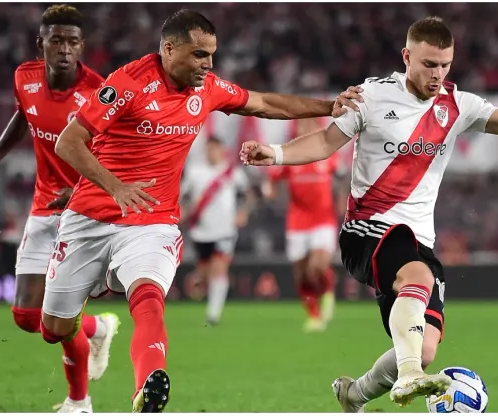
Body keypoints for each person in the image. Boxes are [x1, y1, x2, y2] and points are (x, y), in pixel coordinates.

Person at [240, 16, 498, 410]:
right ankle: (411, 376)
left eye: (445, 65)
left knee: (424, 346)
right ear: (407, 57)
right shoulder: (372, 96)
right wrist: (275, 154)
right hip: (366, 229)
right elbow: (326, 143)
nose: (438, 74)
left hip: (418, 241)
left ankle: (356, 393)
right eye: (429, 64)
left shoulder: (459, 105)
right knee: (416, 290)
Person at [40, 9, 361, 413]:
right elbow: (69, 142)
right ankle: (98, 329)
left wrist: (328, 105)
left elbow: (262, 103)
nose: (207, 65)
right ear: (169, 49)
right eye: (198, 55)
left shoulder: (206, 88)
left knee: (149, 295)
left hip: (152, 221)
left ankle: (147, 387)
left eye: (211, 55)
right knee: (52, 328)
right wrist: (115, 187)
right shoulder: (128, 83)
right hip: (89, 217)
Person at [0, 5, 121, 413]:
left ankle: (78, 403)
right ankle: (99, 328)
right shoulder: (24, 77)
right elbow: (24, 117)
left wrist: (81, 188)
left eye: (73, 42)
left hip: (83, 215)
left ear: (82, 47)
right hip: (45, 207)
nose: (64, 49)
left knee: (58, 323)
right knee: (28, 319)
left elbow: (114, 155)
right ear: (41, 43)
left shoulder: (97, 94)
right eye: (57, 40)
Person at [263, 118, 344, 332]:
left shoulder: (327, 153)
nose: (305, 128)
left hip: (323, 219)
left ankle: (327, 291)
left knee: (316, 266)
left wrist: (343, 199)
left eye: (309, 125)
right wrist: (270, 189)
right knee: (301, 274)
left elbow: (342, 176)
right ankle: (314, 316)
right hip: (297, 221)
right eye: (301, 125)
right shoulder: (291, 155)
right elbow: (273, 174)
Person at [180, 136, 254, 326]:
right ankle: (199, 283)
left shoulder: (232, 172)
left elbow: (249, 194)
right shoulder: (195, 171)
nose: (212, 152)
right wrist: (183, 210)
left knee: (219, 269)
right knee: (205, 273)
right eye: (209, 149)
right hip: (200, 230)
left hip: (225, 230)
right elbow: (182, 195)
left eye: (215, 149)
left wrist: (243, 212)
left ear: (222, 150)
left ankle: (213, 314)